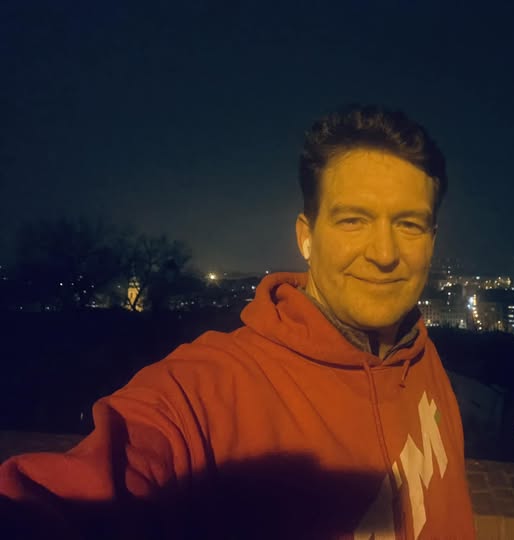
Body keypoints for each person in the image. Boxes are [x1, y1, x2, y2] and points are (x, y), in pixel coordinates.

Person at [0, 105, 476, 539]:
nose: (385, 253)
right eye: (353, 220)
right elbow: (89, 489)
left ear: (432, 240)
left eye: (409, 224)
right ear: (306, 237)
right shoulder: (211, 390)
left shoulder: (421, 354)